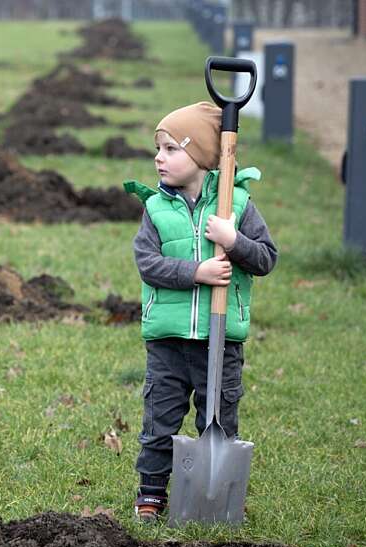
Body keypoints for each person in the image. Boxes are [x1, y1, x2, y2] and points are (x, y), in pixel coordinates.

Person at [122, 101, 278, 522]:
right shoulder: (155, 209)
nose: (159, 157)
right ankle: (151, 494)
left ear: (203, 157)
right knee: (159, 423)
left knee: (220, 423)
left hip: (220, 342)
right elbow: (148, 264)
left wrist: (235, 241)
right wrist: (198, 272)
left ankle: (219, 496)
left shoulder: (237, 206)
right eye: (158, 148)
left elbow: (265, 259)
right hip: (168, 342)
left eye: (172, 149)